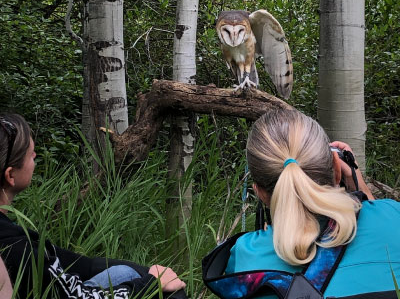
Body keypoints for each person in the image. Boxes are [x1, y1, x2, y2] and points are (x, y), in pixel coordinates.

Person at [207, 108, 400, 298]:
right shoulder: (393, 216)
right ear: (336, 168)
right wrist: (361, 188)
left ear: (260, 193)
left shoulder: (245, 255)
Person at [0, 114, 187, 299]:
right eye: (31, 156)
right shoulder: (16, 248)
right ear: (10, 175)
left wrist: (144, 272)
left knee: (124, 271)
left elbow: (74, 263)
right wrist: (150, 284)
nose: (35, 157)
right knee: (150, 285)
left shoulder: (10, 234)